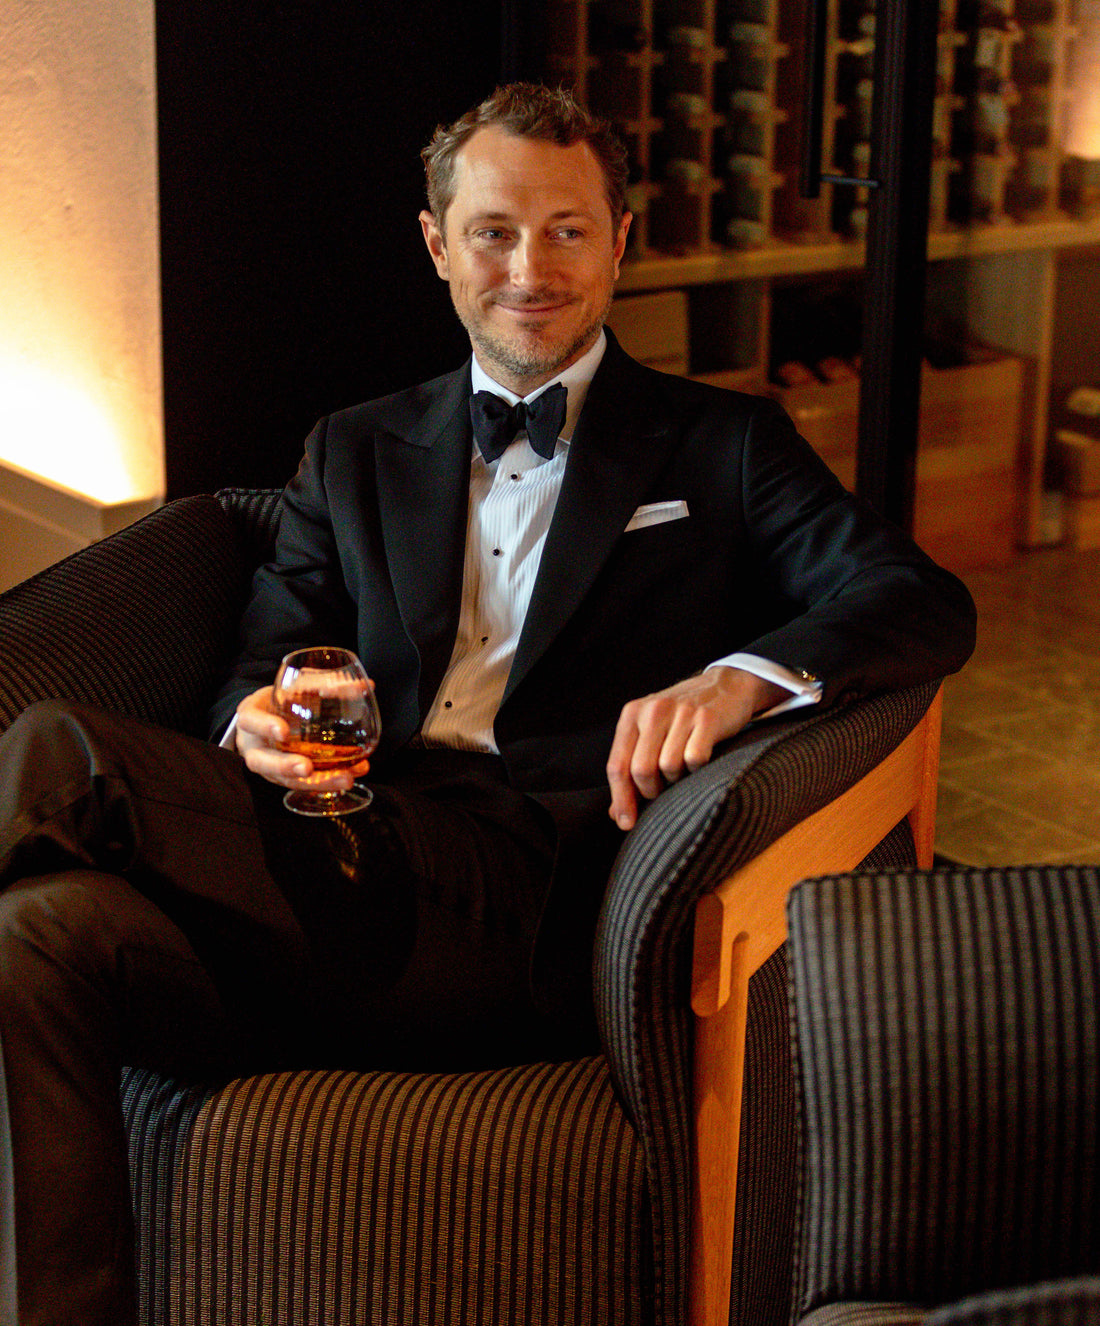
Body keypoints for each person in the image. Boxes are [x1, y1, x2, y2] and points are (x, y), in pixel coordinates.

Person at [0, 82, 976, 1324]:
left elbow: (916, 598)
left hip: (527, 899)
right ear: (436, 246)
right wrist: (251, 718)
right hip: (325, 863)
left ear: (622, 241)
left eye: (568, 229)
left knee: (60, 756)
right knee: (34, 938)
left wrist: (739, 680)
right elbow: (269, 646)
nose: (531, 268)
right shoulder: (352, 445)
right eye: (494, 232)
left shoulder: (722, 446)